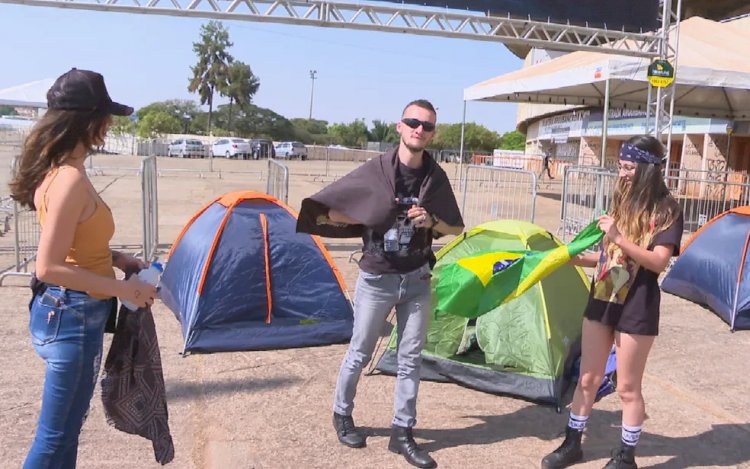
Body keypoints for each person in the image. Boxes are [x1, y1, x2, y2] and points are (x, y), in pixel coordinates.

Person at [296, 99, 464, 468]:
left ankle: (403, 432)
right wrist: (365, 214)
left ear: (433, 133)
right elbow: (332, 209)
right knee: (359, 351)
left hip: (417, 278)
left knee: (410, 359)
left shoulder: (434, 178)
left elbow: (456, 228)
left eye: (427, 126)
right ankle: (342, 414)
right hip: (377, 278)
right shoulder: (375, 171)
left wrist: (430, 221)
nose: (419, 129)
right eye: (413, 122)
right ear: (399, 127)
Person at [9, 68, 157, 468]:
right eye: (105, 116)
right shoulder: (70, 179)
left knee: (69, 430)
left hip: (74, 312)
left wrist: (117, 260)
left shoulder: (64, 170)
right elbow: (50, 265)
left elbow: (74, 246)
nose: (108, 125)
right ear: (87, 120)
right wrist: (125, 290)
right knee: (54, 437)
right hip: (70, 316)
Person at [540, 135, 683, 469]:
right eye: (621, 166)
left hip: (638, 303)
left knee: (627, 387)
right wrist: (566, 257)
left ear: (648, 169)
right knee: (587, 379)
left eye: (630, 167)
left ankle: (626, 456)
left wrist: (619, 236)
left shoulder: (667, 211)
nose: (623, 173)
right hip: (603, 297)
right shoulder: (621, 201)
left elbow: (658, 262)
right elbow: (607, 256)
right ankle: (572, 443)